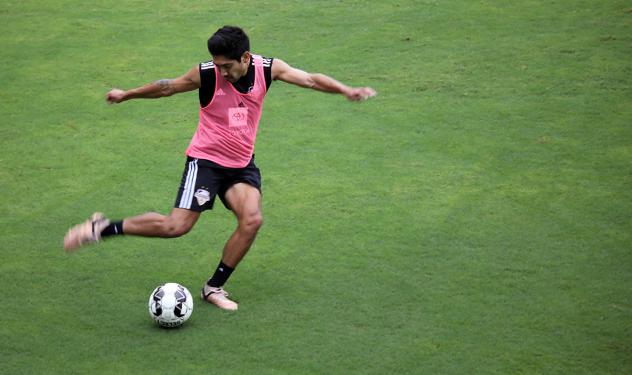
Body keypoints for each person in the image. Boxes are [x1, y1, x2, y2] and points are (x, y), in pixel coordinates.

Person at [63, 25, 376, 311]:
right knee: (177, 227)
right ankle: (102, 228)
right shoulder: (207, 74)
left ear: (245, 57)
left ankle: (214, 288)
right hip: (206, 162)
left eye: (228, 65)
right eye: (218, 65)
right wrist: (127, 95)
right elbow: (167, 87)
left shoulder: (268, 69)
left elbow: (309, 79)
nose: (222, 71)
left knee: (252, 220)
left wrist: (346, 90)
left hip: (240, 165)